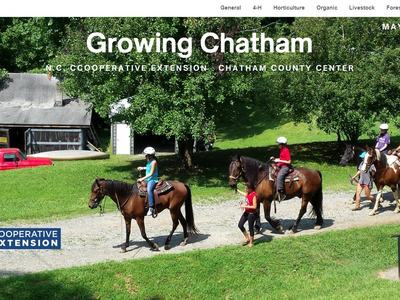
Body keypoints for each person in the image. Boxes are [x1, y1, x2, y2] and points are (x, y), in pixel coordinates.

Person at [137, 146, 159, 217]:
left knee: (149, 190)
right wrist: (143, 168)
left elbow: (151, 173)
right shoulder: (149, 161)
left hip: (153, 179)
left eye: (146, 155)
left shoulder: (154, 162)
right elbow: (148, 168)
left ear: (149, 155)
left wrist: (142, 178)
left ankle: (151, 208)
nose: (145, 156)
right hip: (148, 179)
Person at [237, 183, 258, 247]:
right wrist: (237, 190)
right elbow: (244, 194)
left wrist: (245, 206)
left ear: (250, 189)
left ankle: (251, 242)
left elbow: (254, 207)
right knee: (240, 225)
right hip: (247, 212)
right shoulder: (248, 194)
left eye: (246, 188)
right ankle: (247, 238)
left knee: (250, 228)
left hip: (252, 214)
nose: (245, 189)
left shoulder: (254, 195)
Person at [272, 136, 292, 201]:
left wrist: (279, 161)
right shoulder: (282, 150)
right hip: (281, 165)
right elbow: (282, 159)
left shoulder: (286, 150)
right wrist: (275, 159)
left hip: (285, 167)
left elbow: (289, 161)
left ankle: (281, 193)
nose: (278, 145)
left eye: (279, 144)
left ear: (282, 144)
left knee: (280, 176)